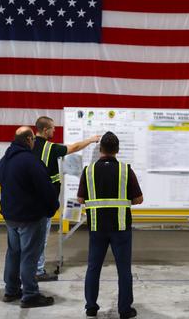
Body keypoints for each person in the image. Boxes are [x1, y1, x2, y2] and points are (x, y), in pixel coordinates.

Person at [77, 131, 143, 319]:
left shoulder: (88, 171)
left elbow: (80, 198)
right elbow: (139, 199)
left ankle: (91, 307)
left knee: (93, 267)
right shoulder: (125, 170)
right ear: (117, 150)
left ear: (100, 149)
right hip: (121, 227)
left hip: (97, 226)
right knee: (124, 270)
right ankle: (124, 310)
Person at [32, 116, 101, 281]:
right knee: (40, 239)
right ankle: (38, 271)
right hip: (43, 202)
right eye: (53, 128)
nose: (55, 131)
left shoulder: (29, 145)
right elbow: (75, 147)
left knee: (30, 237)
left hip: (30, 199)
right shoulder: (49, 148)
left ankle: (29, 269)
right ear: (46, 130)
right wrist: (92, 139)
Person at [0, 126, 60, 308]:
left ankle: (11, 290)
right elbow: (46, 189)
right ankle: (31, 294)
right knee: (29, 256)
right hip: (30, 217)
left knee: (13, 254)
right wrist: (52, 207)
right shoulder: (31, 161)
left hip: (11, 216)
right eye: (33, 139)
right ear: (28, 140)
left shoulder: (4, 161)